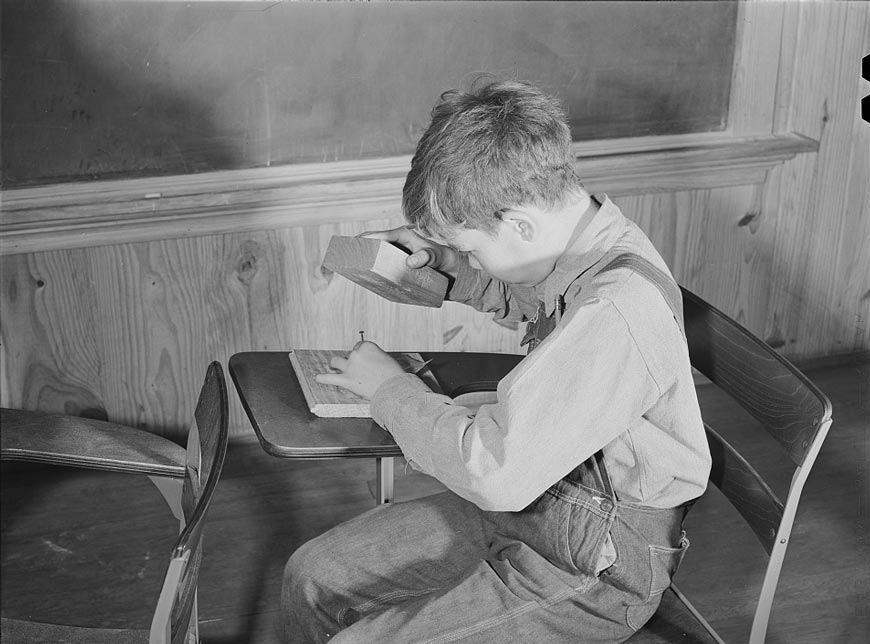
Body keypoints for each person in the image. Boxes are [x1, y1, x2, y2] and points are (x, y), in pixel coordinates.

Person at [282, 79, 712, 643]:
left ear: (522, 224)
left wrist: (391, 392)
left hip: (596, 563)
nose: (470, 258)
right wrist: (441, 261)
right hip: (539, 504)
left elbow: (496, 472)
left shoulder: (615, 312)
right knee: (313, 577)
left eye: (473, 247)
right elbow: (530, 295)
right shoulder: (579, 242)